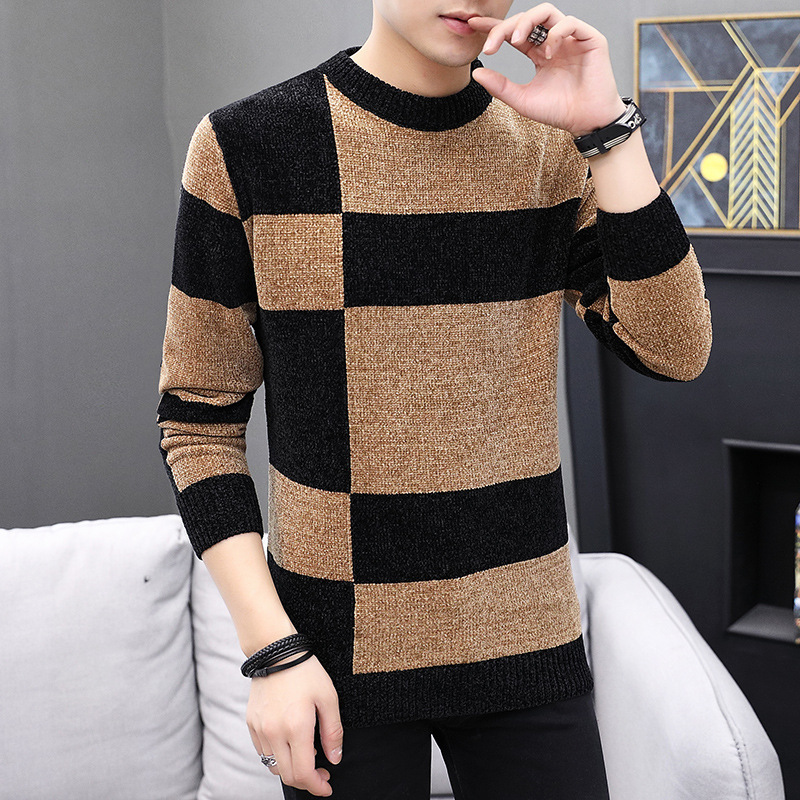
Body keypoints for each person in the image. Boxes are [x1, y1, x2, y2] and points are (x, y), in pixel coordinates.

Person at [155, 1, 712, 797]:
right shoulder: (250, 144)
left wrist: (608, 134)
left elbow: (675, 349)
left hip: (525, 640)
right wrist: (272, 651)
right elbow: (197, 422)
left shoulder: (550, 148)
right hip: (332, 654)